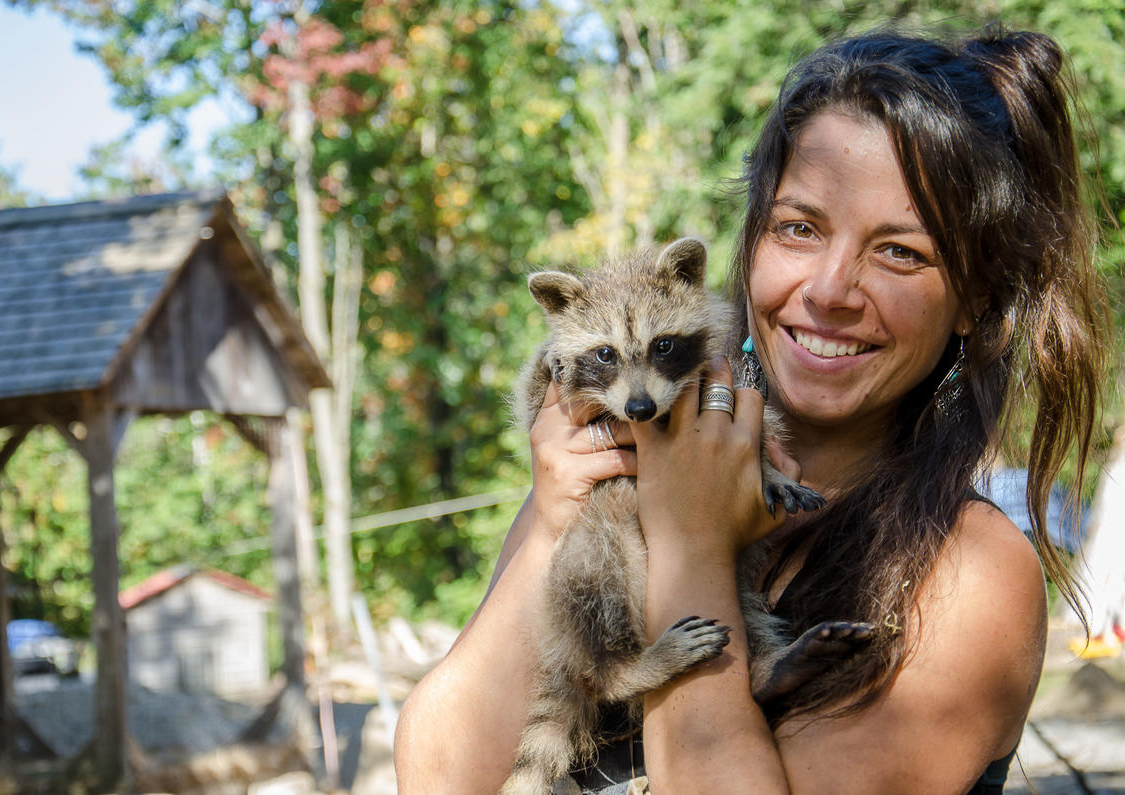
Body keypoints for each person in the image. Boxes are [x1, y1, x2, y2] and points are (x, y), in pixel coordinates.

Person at [394, 25, 1108, 794]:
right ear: (752, 243)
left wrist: (691, 544)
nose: (831, 290)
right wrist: (549, 516)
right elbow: (440, 773)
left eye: (901, 251)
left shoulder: (971, 567)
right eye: (799, 228)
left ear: (975, 299)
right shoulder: (612, 460)